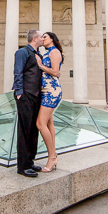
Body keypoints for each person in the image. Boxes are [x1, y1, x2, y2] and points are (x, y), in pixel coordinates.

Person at [12, 29, 43, 177]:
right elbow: (18, 72)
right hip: (25, 95)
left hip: (37, 96)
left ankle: (30, 161)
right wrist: (19, 92)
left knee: (33, 129)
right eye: (41, 37)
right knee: (24, 130)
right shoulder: (22, 52)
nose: (43, 39)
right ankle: (22, 167)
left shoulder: (38, 54)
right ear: (35, 39)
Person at [35, 31, 63, 172]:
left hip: (52, 91)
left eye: (45, 37)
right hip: (45, 90)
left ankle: (52, 157)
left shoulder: (54, 52)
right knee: (48, 123)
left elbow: (56, 72)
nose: (42, 39)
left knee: (40, 123)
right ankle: (54, 155)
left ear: (52, 39)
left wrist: (41, 66)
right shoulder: (48, 52)